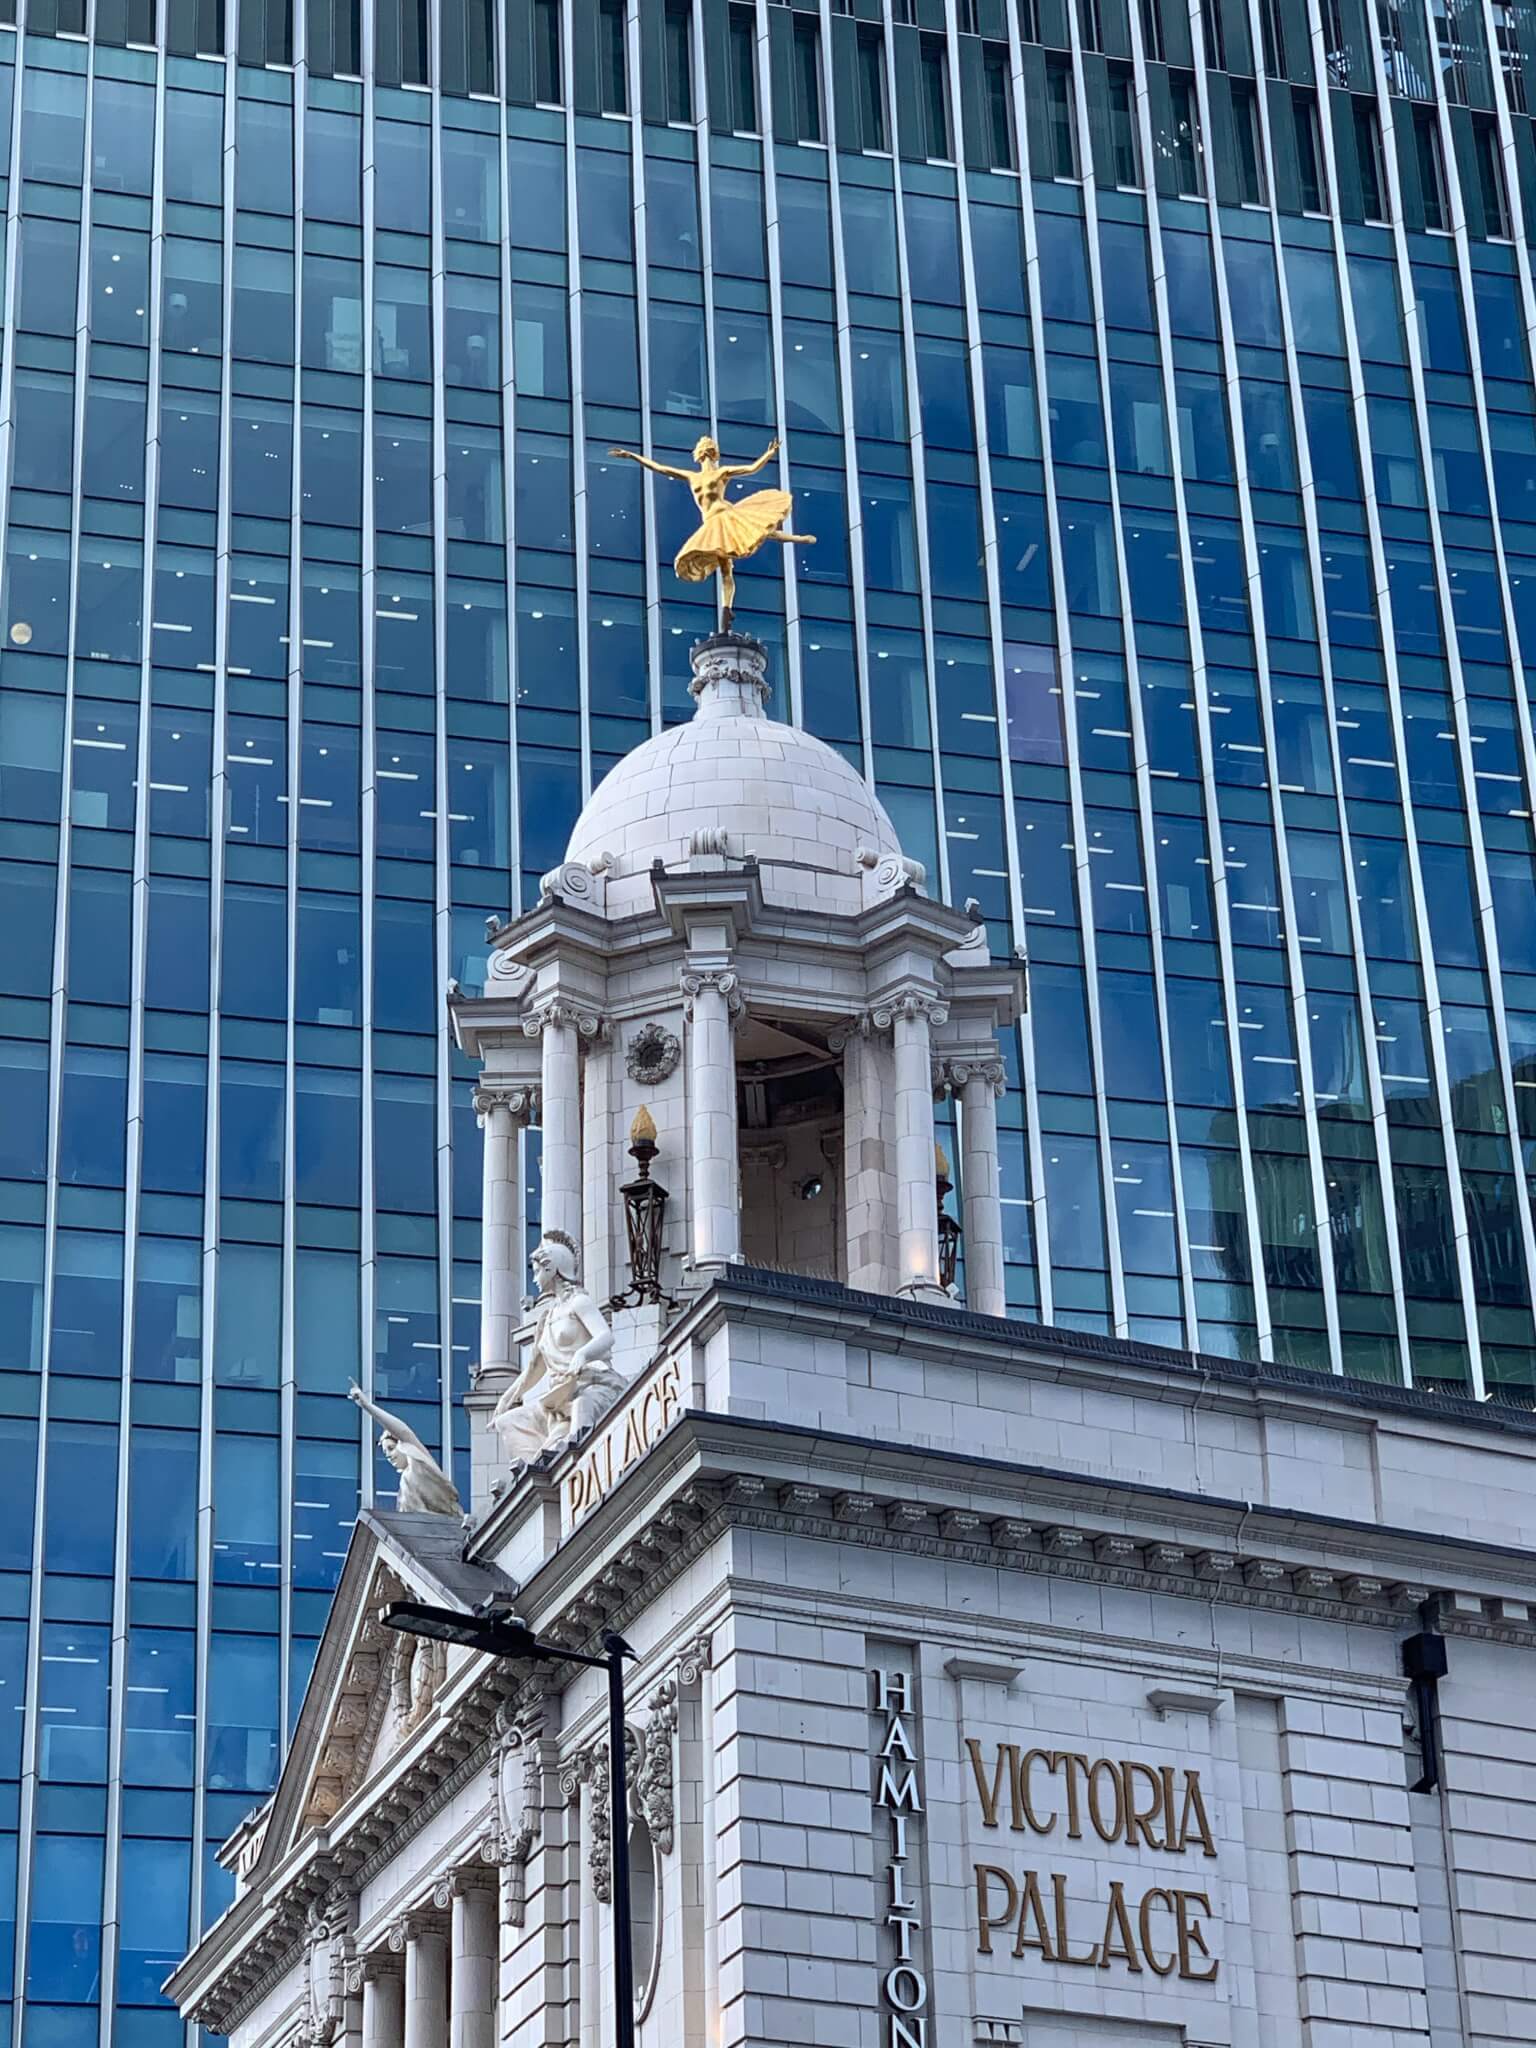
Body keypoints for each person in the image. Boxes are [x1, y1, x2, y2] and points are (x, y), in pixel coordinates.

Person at [608, 435, 814, 619]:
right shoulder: (692, 476)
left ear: (710, 454)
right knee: (727, 567)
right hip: (711, 523)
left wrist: (768, 454)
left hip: (724, 514)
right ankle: (727, 608)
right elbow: (660, 468)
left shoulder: (722, 472)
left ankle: (798, 539)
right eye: (703, 449)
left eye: (707, 449)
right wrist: (633, 456)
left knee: (759, 530)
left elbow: (751, 469)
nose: (704, 453)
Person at [492, 1232, 621, 1467]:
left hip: (593, 1386)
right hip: (559, 1399)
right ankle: (532, 1481)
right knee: (509, 1422)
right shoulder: (547, 1319)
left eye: (537, 1271)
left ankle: (579, 1472)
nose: (534, 1278)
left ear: (552, 1268)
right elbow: (533, 1370)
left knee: (581, 1410)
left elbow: (605, 1337)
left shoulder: (579, 1303)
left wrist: (582, 1354)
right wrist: (506, 1399)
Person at [347, 1383, 462, 1516]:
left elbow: (403, 1430)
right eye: (385, 1454)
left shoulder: (419, 1462)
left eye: (391, 1448)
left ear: (402, 1445)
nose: (389, 1456)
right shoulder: (405, 1483)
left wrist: (367, 1406)